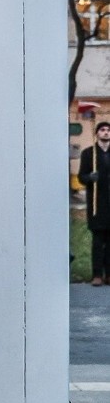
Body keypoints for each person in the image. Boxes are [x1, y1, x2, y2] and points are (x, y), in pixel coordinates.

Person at [78, 120, 110, 285]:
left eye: (108, 130)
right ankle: (97, 275)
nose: (105, 132)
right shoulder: (89, 154)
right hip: (97, 204)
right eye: (102, 130)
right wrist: (90, 178)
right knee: (98, 241)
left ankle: (108, 274)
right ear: (97, 133)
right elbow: (81, 177)